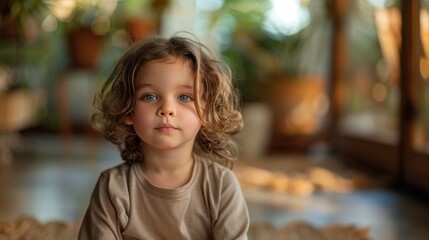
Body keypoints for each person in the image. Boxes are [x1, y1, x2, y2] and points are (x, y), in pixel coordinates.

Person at [78, 34, 250, 239]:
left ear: (208, 110)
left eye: (184, 97)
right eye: (149, 96)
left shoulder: (221, 185)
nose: (167, 109)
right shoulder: (113, 187)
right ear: (128, 110)